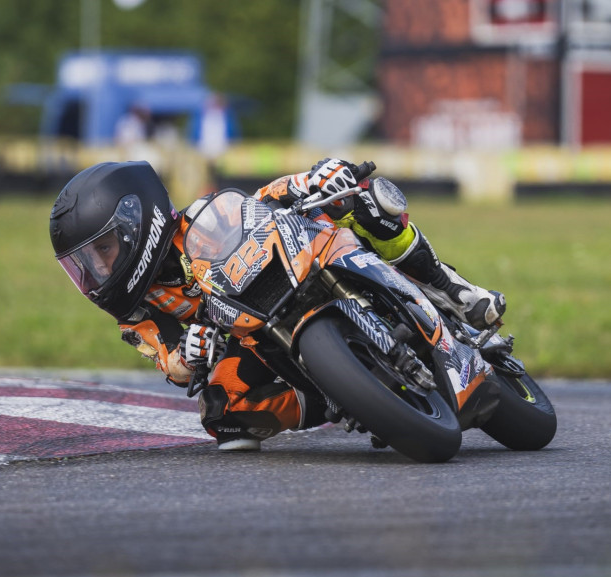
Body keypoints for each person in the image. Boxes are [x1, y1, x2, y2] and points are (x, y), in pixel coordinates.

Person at [49, 160, 506, 451]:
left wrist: (313, 179)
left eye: (102, 251)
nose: (97, 271)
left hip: (305, 262)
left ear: (134, 222)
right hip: (256, 335)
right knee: (222, 414)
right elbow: (168, 362)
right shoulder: (139, 313)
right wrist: (189, 355)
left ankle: (453, 289)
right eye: (85, 263)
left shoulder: (203, 218)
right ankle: (342, 398)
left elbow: (262, 201)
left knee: (363, 200)